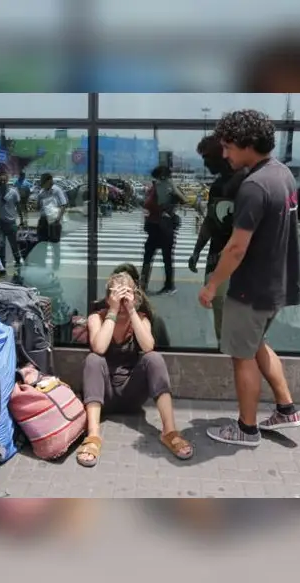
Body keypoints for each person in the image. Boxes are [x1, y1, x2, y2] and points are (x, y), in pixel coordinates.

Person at [197, 109, 300, 447]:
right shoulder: (282, 174)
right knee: (256, 344)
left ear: (247, 143)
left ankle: (246, 429)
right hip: (275, 286)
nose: (225, 154)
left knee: (242, 358)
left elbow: (236, 249)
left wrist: (212, 285)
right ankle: (286, 409)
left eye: (228, 147)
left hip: (250, 289)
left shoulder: (254, 186)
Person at [77, 271, 193, 467]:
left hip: (132, 392)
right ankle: (93, 436)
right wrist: (112, 312)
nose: (122, 303)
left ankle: (170, 431)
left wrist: (131, 311)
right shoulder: (97, 318)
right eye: (117, 297)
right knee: (93, 360)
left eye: (126, 297)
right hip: (103, 396)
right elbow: (99, 347)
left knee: (153, 358)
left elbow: (148, 346)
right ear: (108, 298)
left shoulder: (140, 318)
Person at [189, 133, 247, 343]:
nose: (204, 163)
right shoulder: (218, 185)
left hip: (236, 266)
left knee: (233, 332)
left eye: (207, 158)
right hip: (217, 260)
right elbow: (210, 222)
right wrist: (197, 250)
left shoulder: (245, 182)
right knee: (222, 325)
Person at [141, 166, 185, 295]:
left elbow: (180, 199)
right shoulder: (160, 187)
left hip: (161, 227)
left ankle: (149, 285)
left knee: (153, 256)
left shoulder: (164, 187)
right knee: (162, 257)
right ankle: (166, 285)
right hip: (158, 227)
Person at [0, 171, 23, 270]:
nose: (3, 182)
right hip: (0, 222)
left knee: (14, 244)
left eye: (4, 180)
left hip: (11, 223)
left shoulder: (13, 192)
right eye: (0, 181)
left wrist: (22, 219)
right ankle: (2, 264)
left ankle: (17, 260)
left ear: (7, 181)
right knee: (0, 244)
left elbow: (19, 206)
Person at [36, 173, 67, 271]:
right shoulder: (41, 192)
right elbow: (38, 206)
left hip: (54, 221)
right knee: (42, 243)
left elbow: (63, 204)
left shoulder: (57, 190)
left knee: (55, 244)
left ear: (49, 181)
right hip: (44, 220)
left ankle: (56, 266)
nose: (43, 185)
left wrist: (58, 219)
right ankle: (42, 264)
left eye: (44, 182)